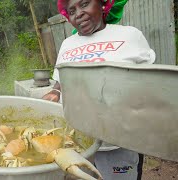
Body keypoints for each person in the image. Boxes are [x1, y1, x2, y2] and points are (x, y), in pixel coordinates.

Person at [42, 0, 156, 179]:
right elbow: (61, 80)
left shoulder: (129, 35)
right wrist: (55, 92)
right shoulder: (68, 44)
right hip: (76, 139)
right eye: (71, 11)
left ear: (103, 4)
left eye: (85, 4)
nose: (78, 13)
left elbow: (148, 80)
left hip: (118, 139)